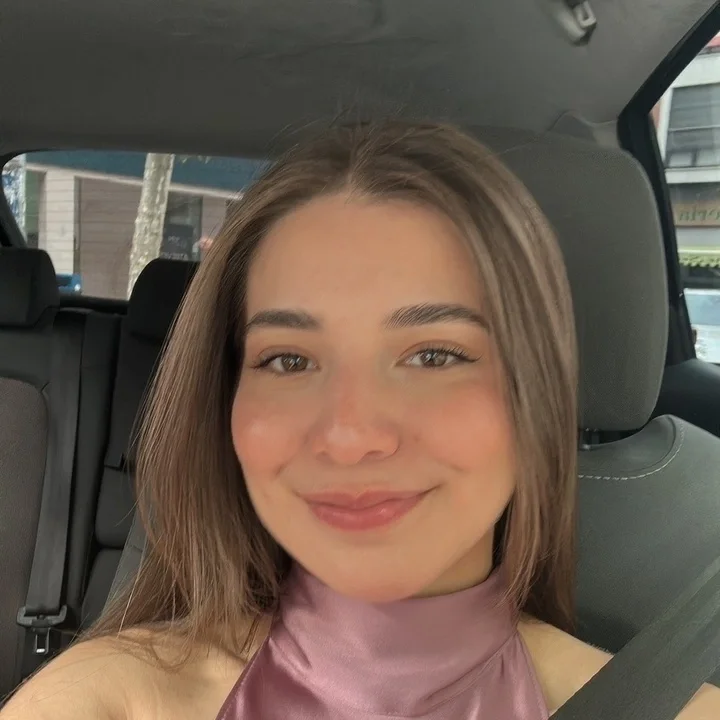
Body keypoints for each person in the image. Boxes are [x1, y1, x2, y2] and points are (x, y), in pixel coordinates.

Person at [3, 121, 719, 719]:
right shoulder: (105, 701)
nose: (350, 437)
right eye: (289, 361)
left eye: (435, 355)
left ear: (534, 398)